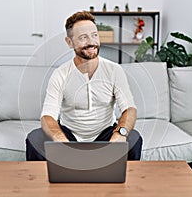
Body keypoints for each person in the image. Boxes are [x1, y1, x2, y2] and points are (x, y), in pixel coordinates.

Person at [26, 11, 142, 161]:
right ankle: (44, 184)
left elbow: (129, 109)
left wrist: (121, 134)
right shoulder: (60, 74)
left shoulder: (115, 70)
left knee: (134, 139)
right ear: (69, 42)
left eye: (94, 35)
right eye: (83, 37)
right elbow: (48, 116)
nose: (91, 42)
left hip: (105, 135)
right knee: (34, 139)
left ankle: (122, 184)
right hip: (69, 135)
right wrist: (59, 139)